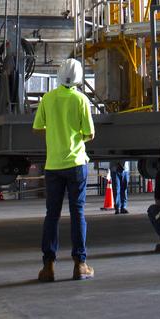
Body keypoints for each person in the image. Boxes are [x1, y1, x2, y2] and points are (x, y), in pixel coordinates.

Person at [32, 58, 95, 281]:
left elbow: (37, 127)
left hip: (53, 166)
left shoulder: (47, 99)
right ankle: (80, 264)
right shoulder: (81, 99)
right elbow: (90, 133)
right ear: (79, 78)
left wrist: (55, 135)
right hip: (76, 164)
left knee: (52, 215)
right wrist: (74, 137)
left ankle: (48, 266)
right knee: (77, 213)